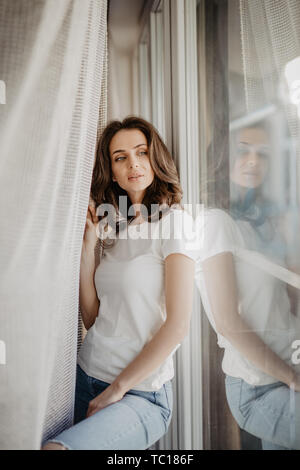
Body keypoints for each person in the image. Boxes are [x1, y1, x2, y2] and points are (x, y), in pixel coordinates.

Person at [42, 116, 198, 450]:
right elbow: (95, 320)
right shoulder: (116, 229)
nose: (133, 164)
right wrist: (88, 251)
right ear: (112, 171)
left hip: (139, 393)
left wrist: (118, 389)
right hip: (85, 375)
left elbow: (178, 326)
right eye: (120, 157)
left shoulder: (176, 224)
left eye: (141, 152)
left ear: (156, 159)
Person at [195, 124, 300, 450]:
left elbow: (292, 298)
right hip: (260, 388)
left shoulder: (264, 220)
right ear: (224, 156)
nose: (253, 160)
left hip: (290, 371)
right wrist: (292, 378)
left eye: (263, 154)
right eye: (244, 149)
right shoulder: (215, 222)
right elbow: (228, 322)